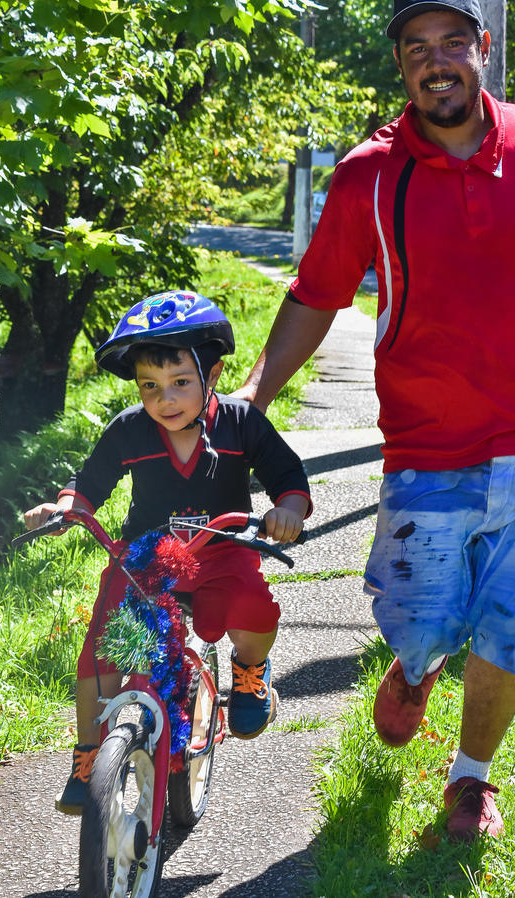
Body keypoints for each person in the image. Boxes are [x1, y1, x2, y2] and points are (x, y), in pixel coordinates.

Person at [236, 0, 515, 842]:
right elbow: (317, 294)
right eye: (417, 48)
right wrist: (250, 400)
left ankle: (471, 784)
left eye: (453, 43)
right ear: (400, 65)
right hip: (427, 445)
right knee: (428, 617)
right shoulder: (369, 174)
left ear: (484, 49)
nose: (438, 62)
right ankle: (419, 662)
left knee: (506, 625)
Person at [24, 290, 311, 814]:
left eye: (181, 383)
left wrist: (287, 509)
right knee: (103, 650)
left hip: (221, 550)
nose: (166, 399)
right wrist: (65, 508)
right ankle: (89, 755)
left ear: (214, 375)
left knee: (250, 606)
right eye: (150, 387)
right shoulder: (130, 429)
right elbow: (88, 483)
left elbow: (287, 476)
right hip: (145, 560)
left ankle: (251, 671)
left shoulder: (242, 422)